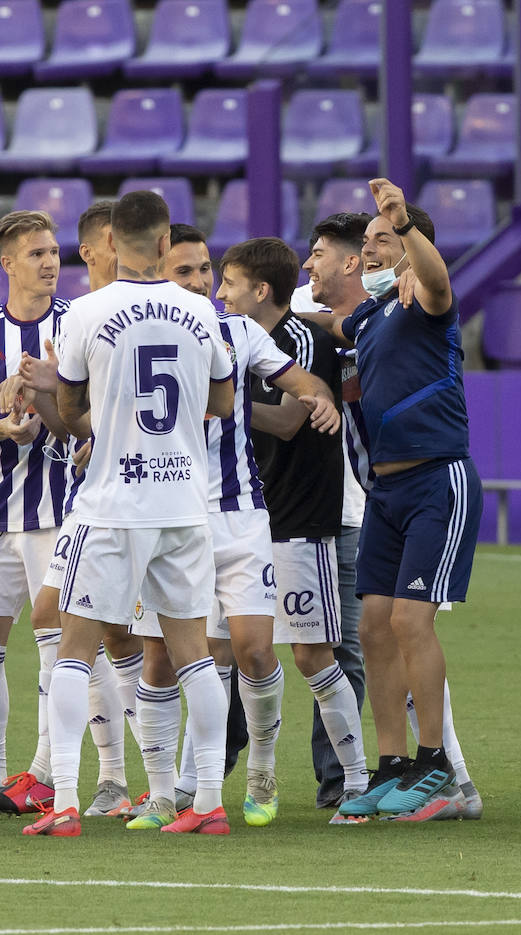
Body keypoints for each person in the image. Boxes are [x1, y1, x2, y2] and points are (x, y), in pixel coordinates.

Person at [21, 190, 236, 838]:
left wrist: (100, 411)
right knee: (195, 654)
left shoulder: (84, 313)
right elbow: (222, 402)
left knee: (71, 650)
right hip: (182, 501)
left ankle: (63, 801)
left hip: (113, 501)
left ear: (112, 242)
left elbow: (71, 406)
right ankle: (209, 801)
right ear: (167, 243)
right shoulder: (200, 311)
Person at [125, 225, 340, 832]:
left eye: (203, 271)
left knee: (252, 648)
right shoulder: (135, 335)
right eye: (185, 272)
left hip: (242, 514)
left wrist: (317, 395)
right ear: (158, 278)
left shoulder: (239, 330)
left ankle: (263, 770)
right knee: (162, 659)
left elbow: (298, 381)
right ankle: (164, 793)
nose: (200, 284)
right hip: (169, 516)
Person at [301, 180, 483, 823]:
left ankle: (436, 766)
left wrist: (407, 228)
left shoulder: (429, 301)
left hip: (439, 479)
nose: (372, 250)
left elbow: (436, 279)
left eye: (384, 240)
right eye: (370, 241)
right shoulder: (371, 317)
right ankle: (392, 766)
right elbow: (319, 317)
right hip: (386, 490)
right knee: (371, 627)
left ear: (410, 247)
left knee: (410, 622)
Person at [0, 209, 128, 820]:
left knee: (72, 644)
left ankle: (103, 777)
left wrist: (45, 395)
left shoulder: (79, 322)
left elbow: (89, 417)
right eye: (36, 254)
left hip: (65, 510)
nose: (51, 263)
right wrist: (0, 425)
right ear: (7, 263)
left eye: (54, 252)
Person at [216, 238, 371, 821]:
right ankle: (222, 782)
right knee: (224, 652)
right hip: (242, 520)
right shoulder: (236, 337)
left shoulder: (302, 342)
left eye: (228, 284)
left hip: (300, 521)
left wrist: (217, 404)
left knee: (314, 654)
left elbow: (286, 421)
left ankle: (352, 782)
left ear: (260, 291)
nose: (219, 294)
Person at [292, 212, 372, 808]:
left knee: (344, 647)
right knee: (240, 643)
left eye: (318, 253)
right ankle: (213, 771)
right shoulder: (294, 305)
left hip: (356, 507)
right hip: (282, 504)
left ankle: (339, 780)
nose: (307, 264)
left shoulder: (393, 304)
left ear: (351, 261)